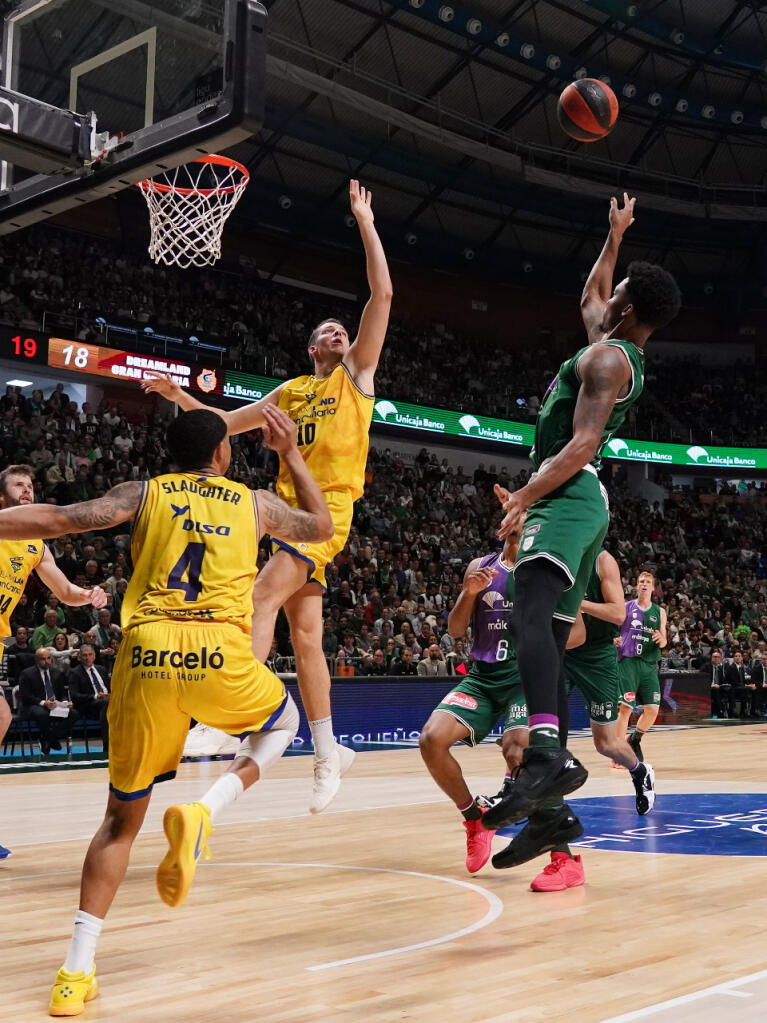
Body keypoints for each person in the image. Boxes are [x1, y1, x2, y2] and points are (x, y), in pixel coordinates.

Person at [0, 406, 332, 1016]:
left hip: (147, 653)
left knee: (120, 823)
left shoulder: (143, 492)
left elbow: (62, 518)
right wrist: (291, 455)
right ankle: (206, 810)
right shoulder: (254, 503)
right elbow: (320, 524)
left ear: (171, 456)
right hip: (219, 654)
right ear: (222, 455)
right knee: (284, 723)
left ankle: (74, 975)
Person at [142, 179, 392, 813]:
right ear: (313, 349)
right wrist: (181, 400)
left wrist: (364, 219)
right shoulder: (289, 392)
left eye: (345, 330)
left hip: (325, 514)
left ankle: (229, 713)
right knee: (306, 637)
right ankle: (331, 751)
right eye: (330, 331)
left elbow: (382, 293)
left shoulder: (357, 381)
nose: (341, 334)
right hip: (283, 514)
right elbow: (222, 425)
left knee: (258, 595)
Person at [483, 194, 681, 830]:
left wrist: (526, 495)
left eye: (618, 290)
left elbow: (585, 443)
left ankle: (547, 755)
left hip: (569, 493)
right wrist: (614, 236)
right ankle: (551, 790)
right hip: (573, 497)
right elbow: (590, 297)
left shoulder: (604, 358)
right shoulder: (619, 345)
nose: (609, 293)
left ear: (626, 307)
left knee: (529, 617)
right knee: (544, 628)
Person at [419, 531, 586, 875]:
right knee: (431, 740)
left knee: (520, 751)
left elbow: (579, 634)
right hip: (482, 677)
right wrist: (469, 592)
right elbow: (454, 628)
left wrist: (542, 634)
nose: (515, 519)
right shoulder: (480, 567)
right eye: (510, 513)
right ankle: (475, 820)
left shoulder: (546, 570)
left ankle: (564, 857)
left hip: (524, 678)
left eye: (523, 513)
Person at [493, 550, 656, 892]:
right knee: (537, 743)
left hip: (595, 657)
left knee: (606, 743)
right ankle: (521, 798)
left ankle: (639, 770)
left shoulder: (602, 561)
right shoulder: (544, 554)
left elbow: (616, 614)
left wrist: (579, 604)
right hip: (557, 653)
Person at [0, 464, 107, 858]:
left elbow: (64, 591)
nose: (27, 490)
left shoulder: (36, 545)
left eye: (31, 485)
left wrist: (88, 594)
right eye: (18, 485)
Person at [615, 570, 667, 759]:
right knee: (626, 708)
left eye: (648, 582)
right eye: (641, 581)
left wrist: (661, 638)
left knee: (652, 710)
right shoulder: (625, 607)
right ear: (637, 586)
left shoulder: (660, 611)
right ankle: (618, 753)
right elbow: (613, 631)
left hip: (648, 664)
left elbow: (664, 641)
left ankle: (634, 739)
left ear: (653, 587)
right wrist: (615, 639)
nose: (644, 584)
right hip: (628, 662)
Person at [18, 646, 78, 754]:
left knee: (73, 713)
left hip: (54, 705)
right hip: (34, 705)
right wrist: (43, 703)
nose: (46, 661)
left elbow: (62, 693)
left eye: (48, 658)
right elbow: (25, 696)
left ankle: (49, 738)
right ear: (36, 660)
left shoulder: (56, 673)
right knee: (42, 714)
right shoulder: (26, 673)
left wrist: (65, 702)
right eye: (43, 659)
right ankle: (50, 739)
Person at [68, 644, 111, 756]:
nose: (87, 658)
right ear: (79, 658)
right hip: (88, 705)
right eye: (84, 655)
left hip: (108, 702)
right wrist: (95, 696)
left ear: (94, 656)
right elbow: (74, 695)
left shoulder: (102, 669)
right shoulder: (75, 672)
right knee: (105, 704)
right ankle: (107, 744)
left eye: (90, 654)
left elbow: (111, 687)